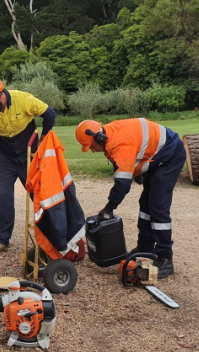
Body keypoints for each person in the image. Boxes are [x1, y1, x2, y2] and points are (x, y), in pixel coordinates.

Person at [76, 117, 186, 278]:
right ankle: (145, 248)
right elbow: (129, 156)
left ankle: (165, 258)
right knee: (145, 205)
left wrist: (109, 208)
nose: (92, 150)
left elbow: (122, 185)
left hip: (170, 156)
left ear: (98, 137)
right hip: (157, 156)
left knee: (158, 207)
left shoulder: (119, 143)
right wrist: (136, 171)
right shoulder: (109, 136)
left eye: (91, 146)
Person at [0, 76, 56, 252]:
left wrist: (42, 140)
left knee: (38, 195)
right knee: (3, 196)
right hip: (6, 158)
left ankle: (51, 235)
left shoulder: (24, 100)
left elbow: (49, 114)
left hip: (28, 156)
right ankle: (2, 239)